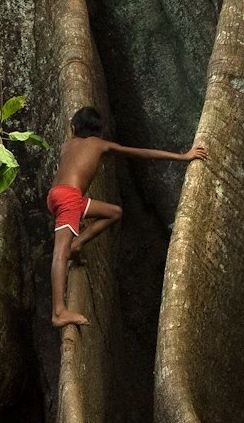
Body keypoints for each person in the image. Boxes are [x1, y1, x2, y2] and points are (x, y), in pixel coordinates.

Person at [48, 106, 207, 328]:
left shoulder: (67, 145)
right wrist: (183, 157)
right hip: (69, 199)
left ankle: (78, 244)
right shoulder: (101, 145)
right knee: (60, 253)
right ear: (100, 132)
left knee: (114, 212)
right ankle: (59, 312)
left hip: (57, 196)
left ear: (73, 129)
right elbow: (142, 153)